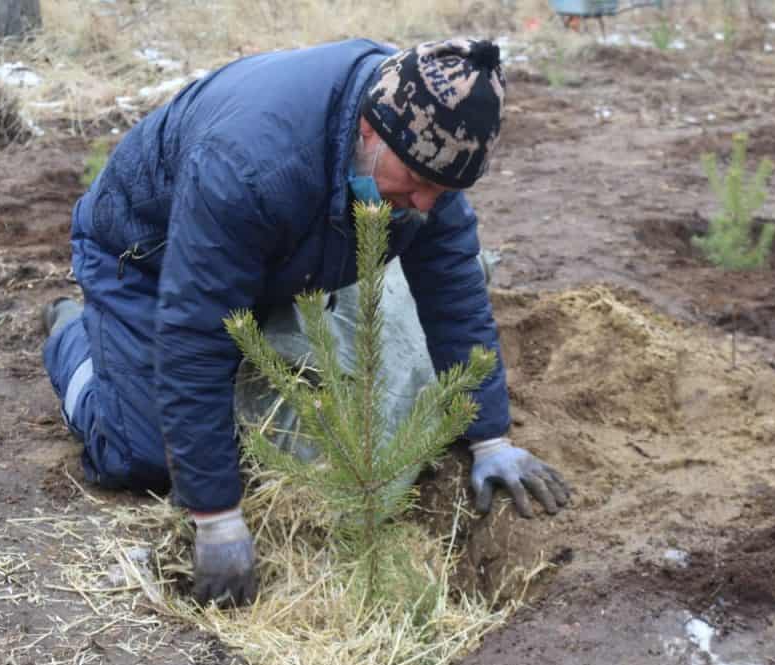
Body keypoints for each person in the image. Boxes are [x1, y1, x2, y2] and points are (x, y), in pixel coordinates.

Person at [41, 37, 571, 608]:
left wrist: (489, 436)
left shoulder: (426, 153)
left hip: (272, 256)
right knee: (139, 457)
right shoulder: (249, 165)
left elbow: (453, 286)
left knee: (279, 401)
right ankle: (76, 337)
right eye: (415, 184)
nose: (422, 204)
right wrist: (217, 518)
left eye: (440, 192)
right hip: (146, 254)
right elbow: (192, 331)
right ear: (371, 129)